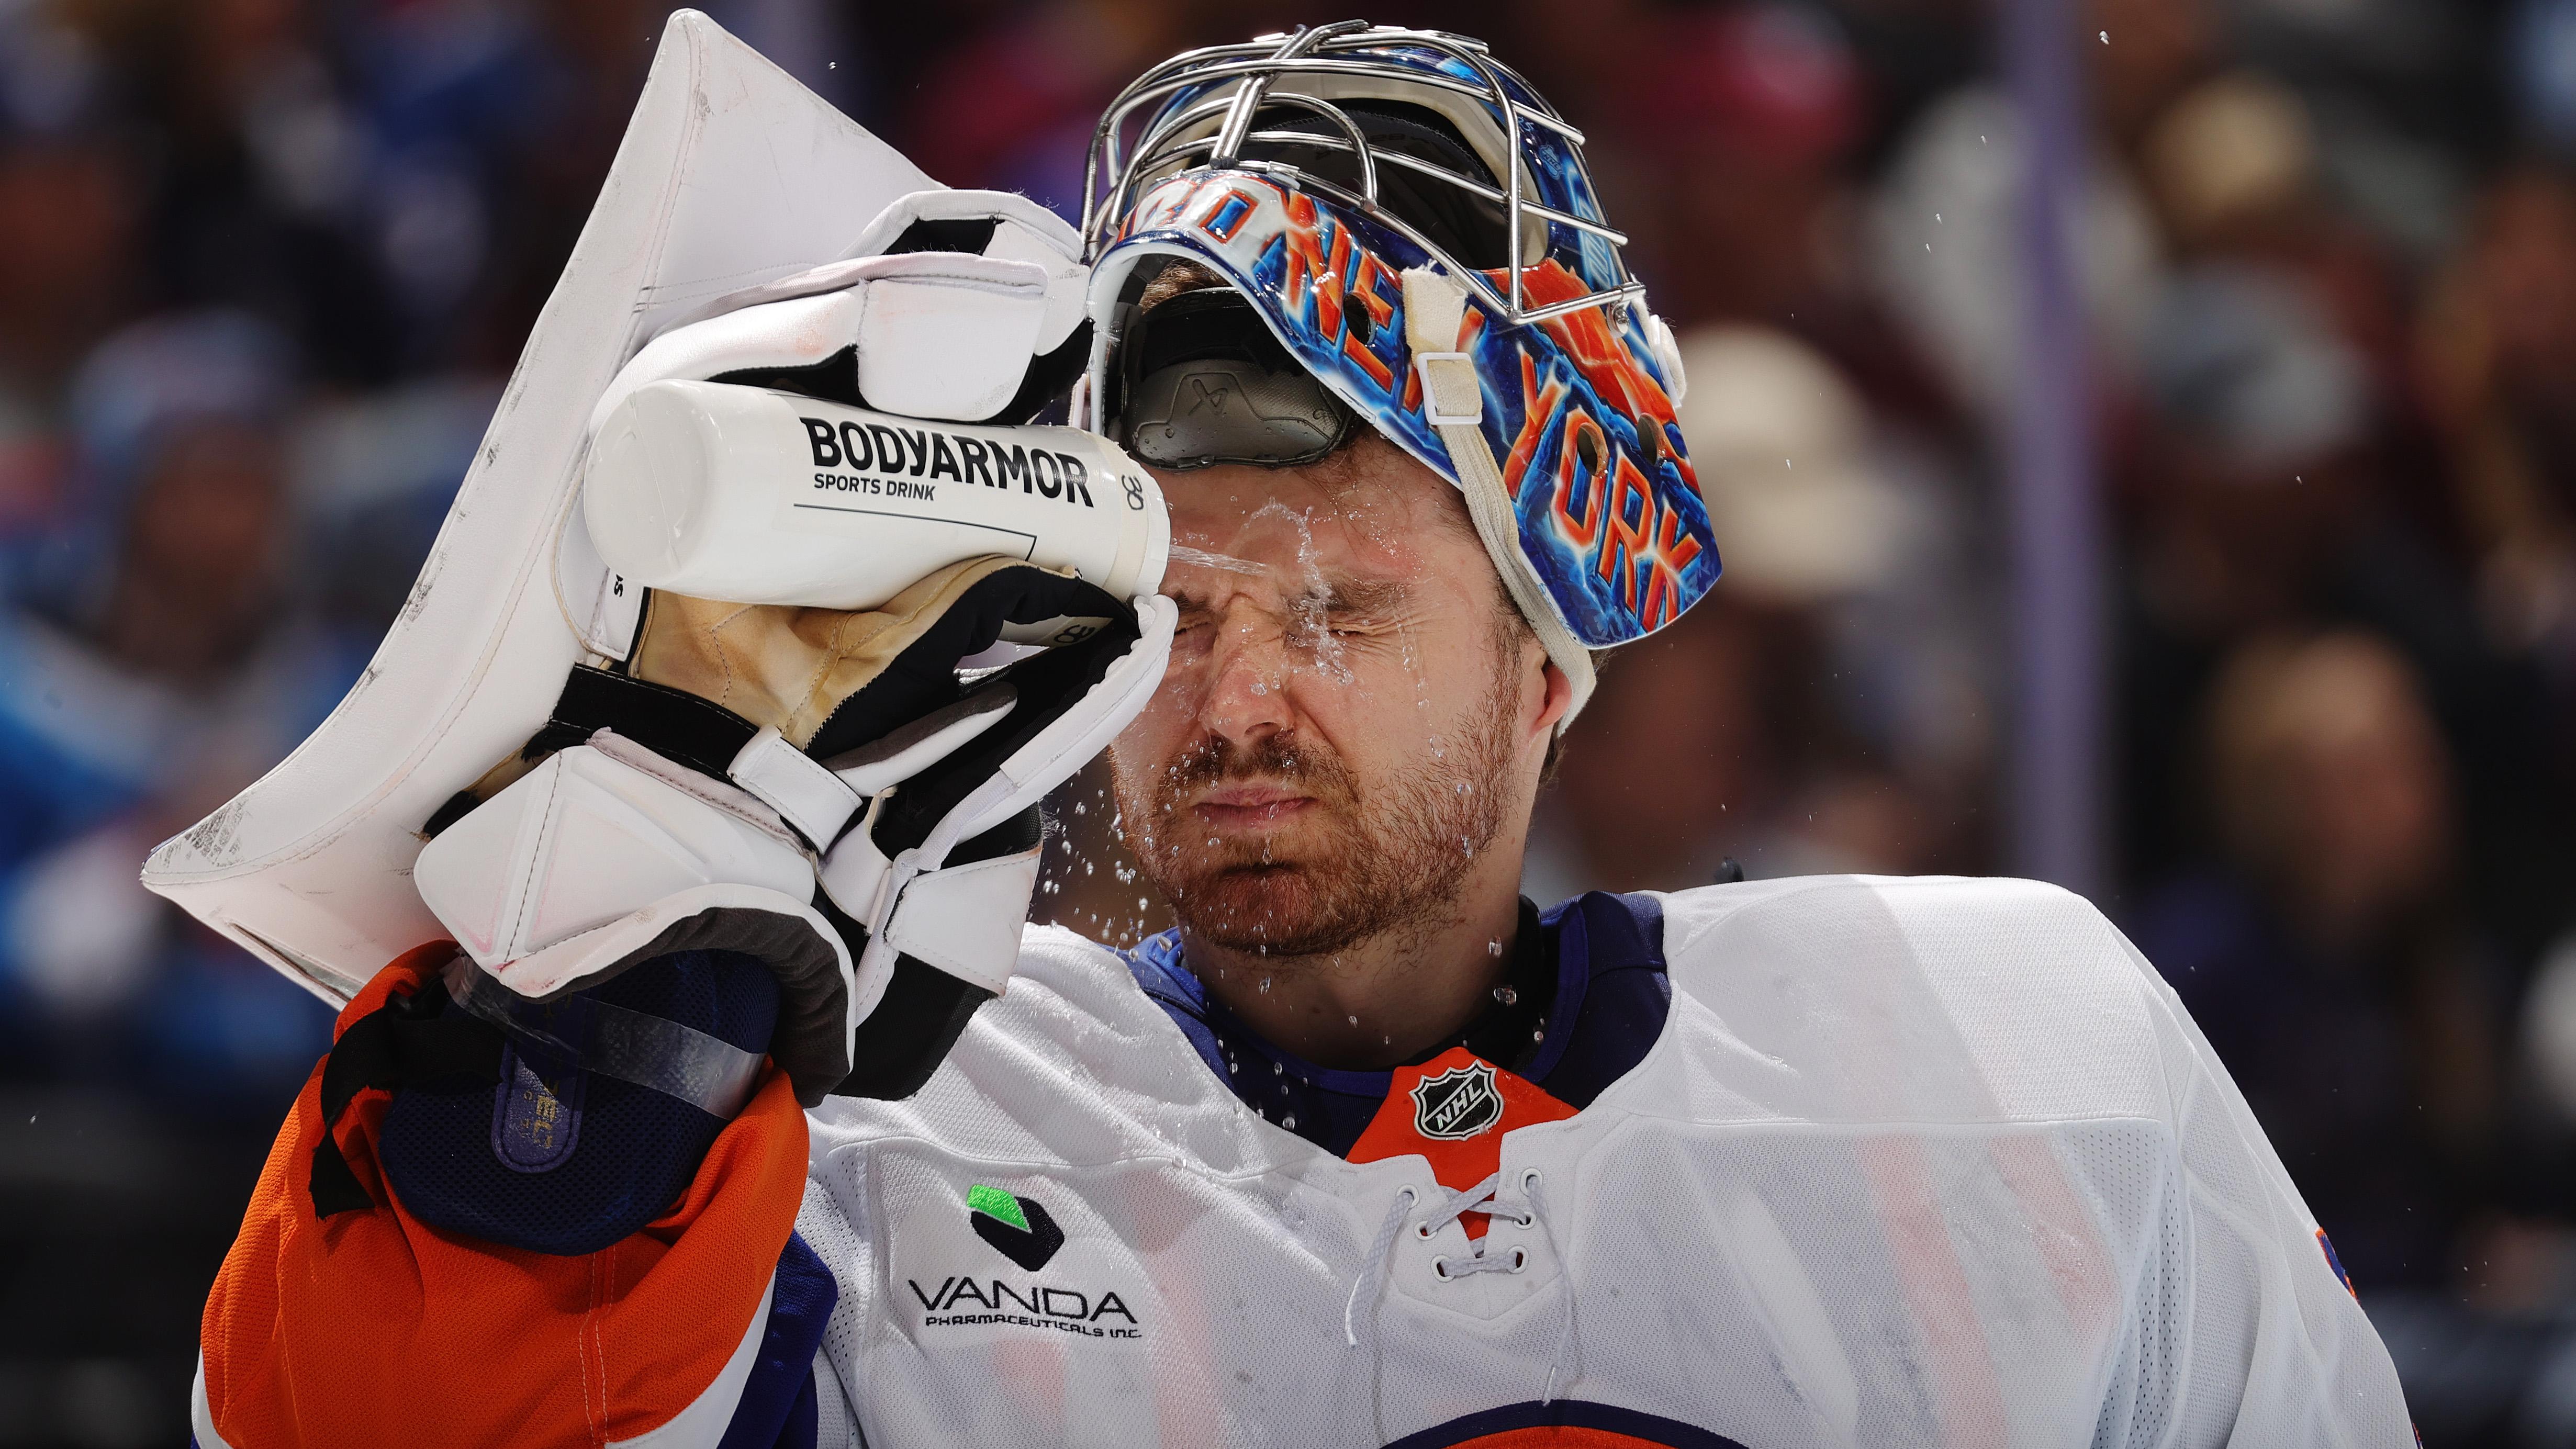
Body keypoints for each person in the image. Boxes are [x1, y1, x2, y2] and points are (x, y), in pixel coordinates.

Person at [182, 23, 2410, 1449]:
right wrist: (586, 1061)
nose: (1235, 696)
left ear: (1555, 654)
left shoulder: (2027, 1060)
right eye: (1175, 610)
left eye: (1341, 606)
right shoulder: (861, 1142)